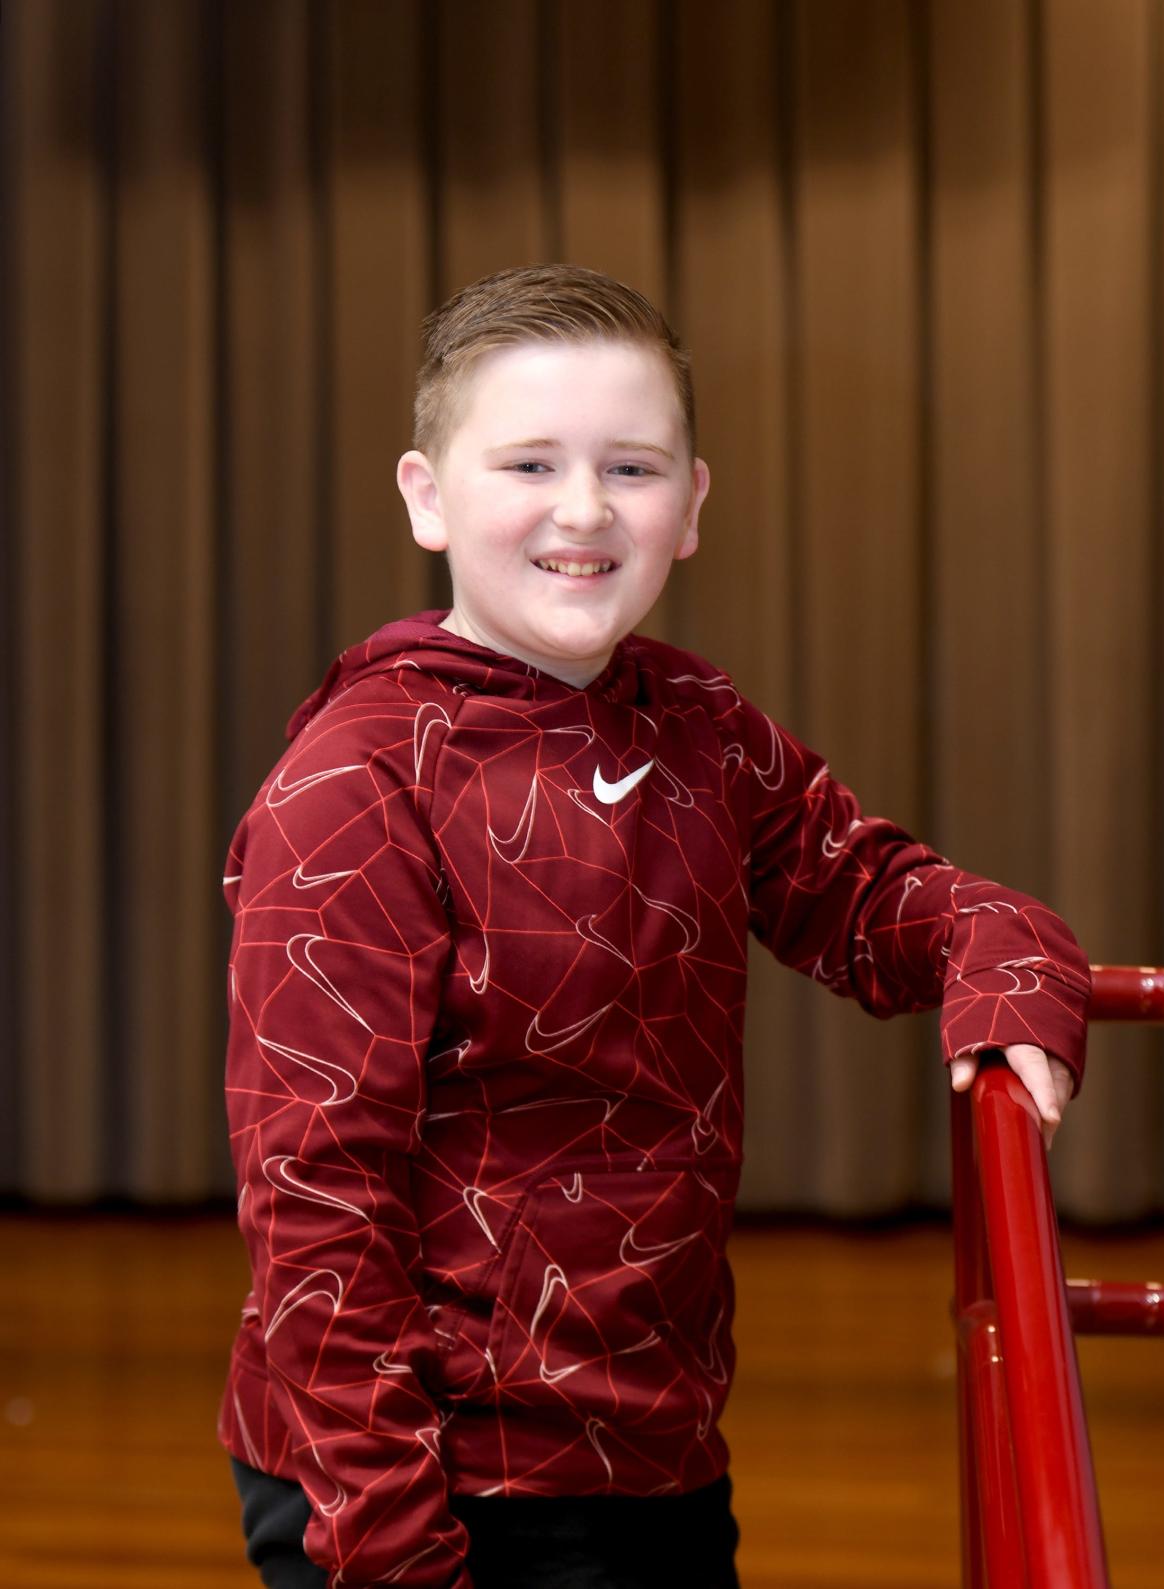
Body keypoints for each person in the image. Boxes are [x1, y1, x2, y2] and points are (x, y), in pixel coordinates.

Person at [219, 263, 1089, 1589]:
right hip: (423, 1475)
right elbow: (317, 1213)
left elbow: (866, 895)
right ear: (426, 496)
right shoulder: (355, 785)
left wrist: (1011, 962)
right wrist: (392, 1550)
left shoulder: (700, 726)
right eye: (526, 464)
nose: (582, 509)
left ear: (691, 505)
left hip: (655, 1444)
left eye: (631, 467)